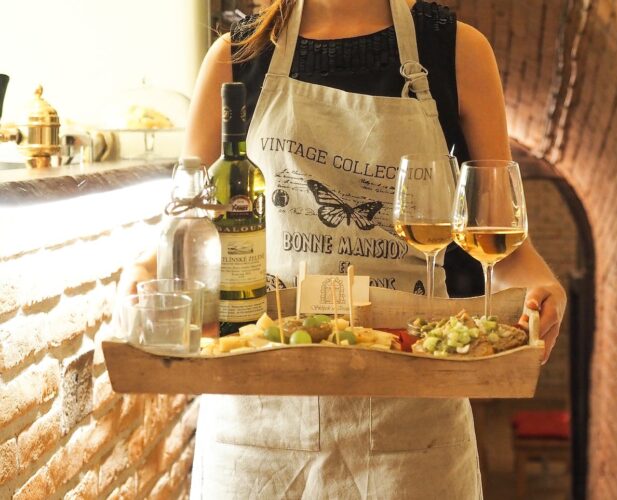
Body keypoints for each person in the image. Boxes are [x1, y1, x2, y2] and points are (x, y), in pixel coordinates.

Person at [122, 0, 566, 497]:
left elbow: (498, 236)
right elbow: (186, 217)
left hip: (411, 429)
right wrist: (143, 271)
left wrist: (540, 287)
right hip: (259, 426)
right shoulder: (236, 56)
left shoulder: (458, 51)